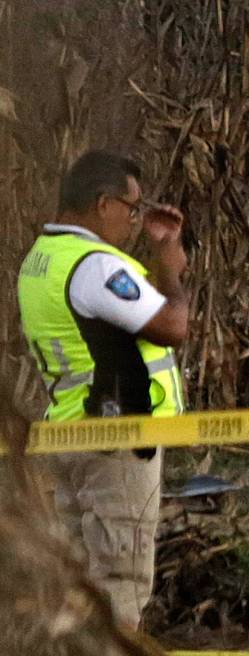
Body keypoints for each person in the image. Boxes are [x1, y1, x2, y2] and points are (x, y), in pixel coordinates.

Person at [16, 149, 188, 630]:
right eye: (131, 210)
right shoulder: (94, 266)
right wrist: (171, 268)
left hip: (73, 435)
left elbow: (110, 319)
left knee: (79, 591)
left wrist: (157, 255)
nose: (133, 222)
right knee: (119, 587)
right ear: (102, 203)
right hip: (117, 443)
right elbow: (173, 326)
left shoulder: (42, 260)